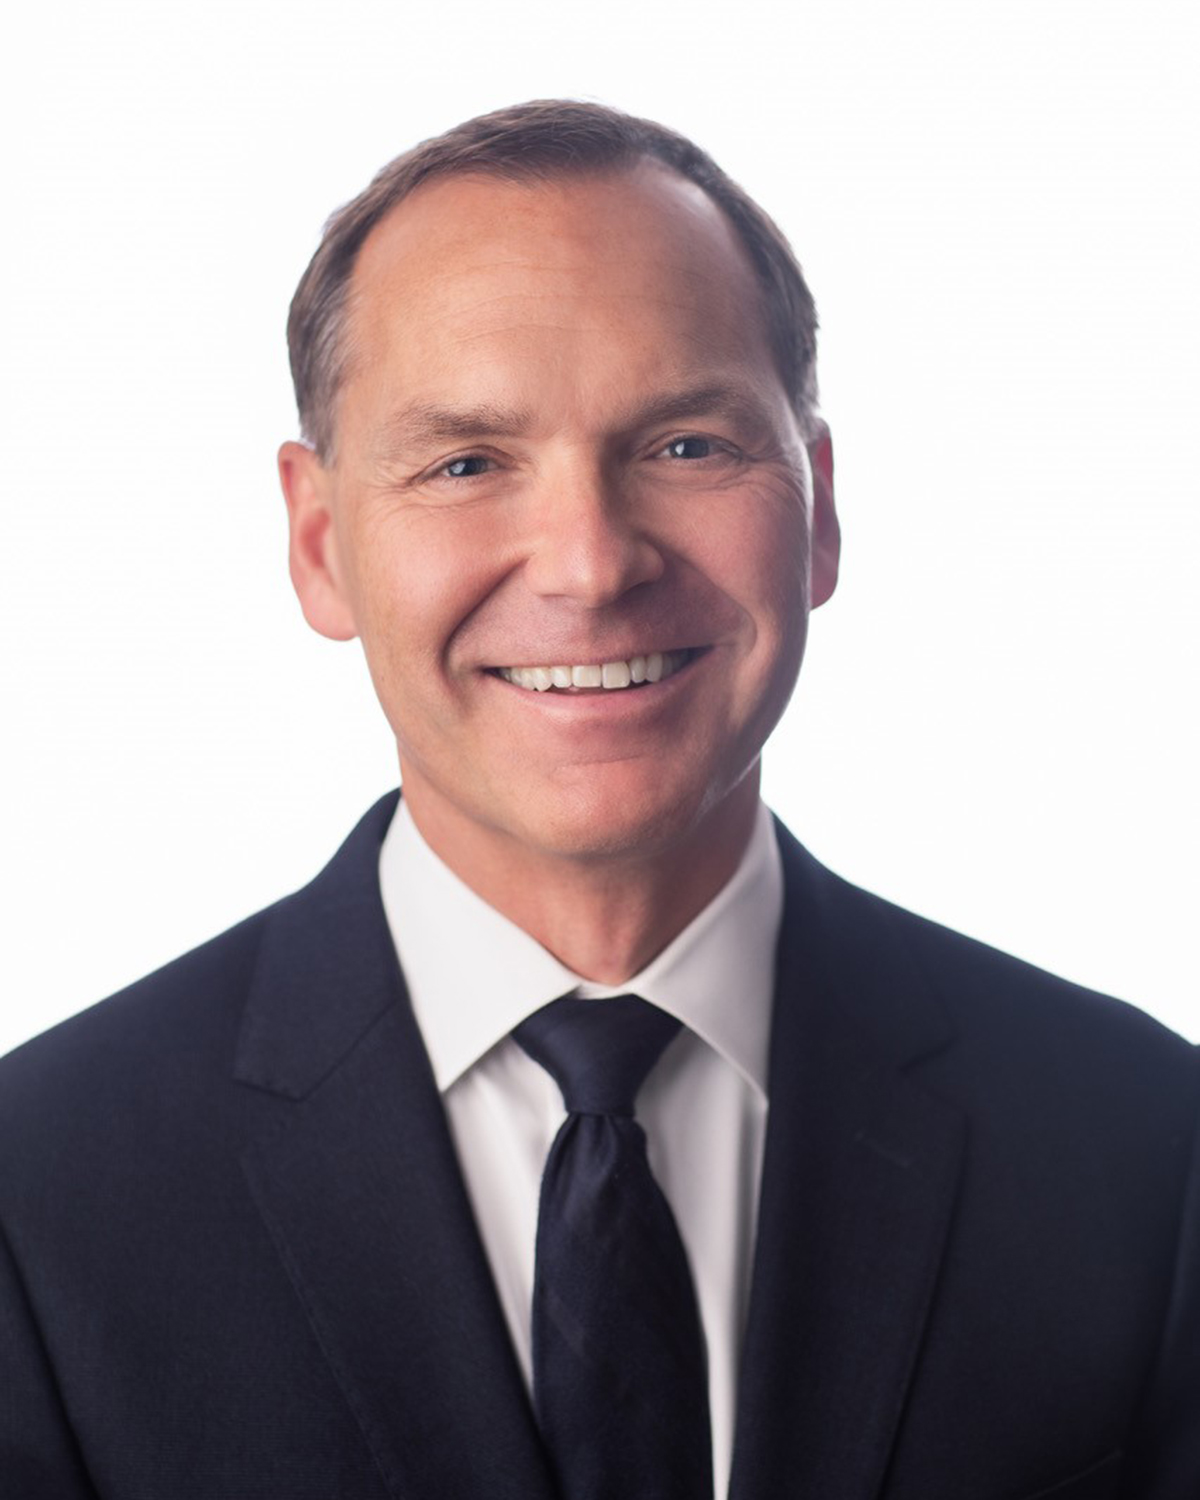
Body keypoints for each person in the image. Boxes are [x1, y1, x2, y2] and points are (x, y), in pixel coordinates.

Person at [1, 99, 1196, 1500]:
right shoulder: (40, 1194)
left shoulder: (1145, 1148)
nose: (589, 564)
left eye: (687, 445)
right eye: (466, 463)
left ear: (817, 505)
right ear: (321, 544)